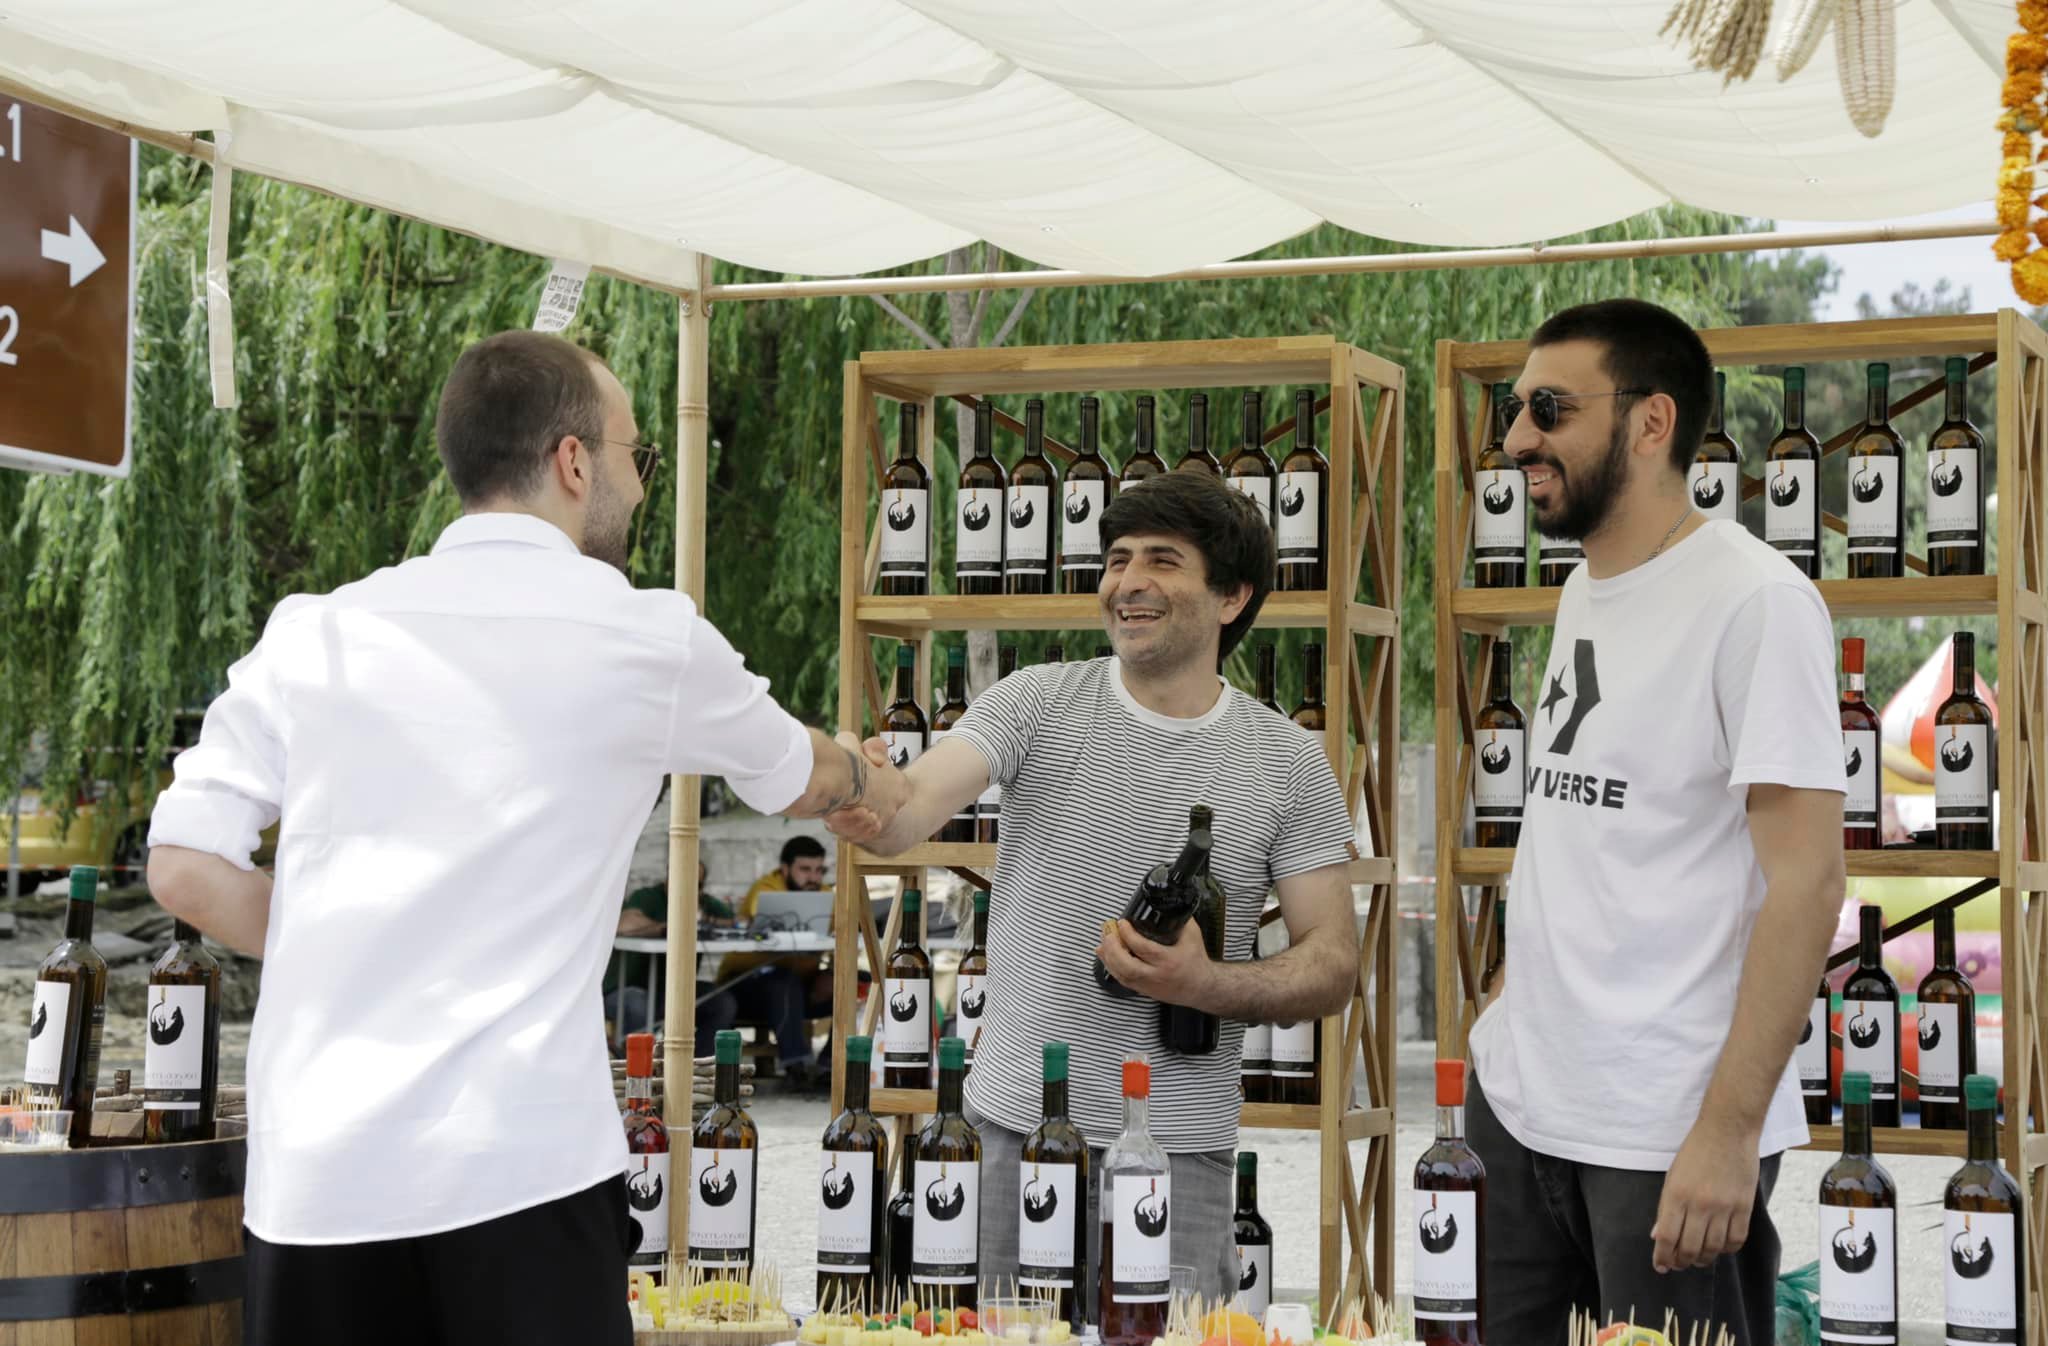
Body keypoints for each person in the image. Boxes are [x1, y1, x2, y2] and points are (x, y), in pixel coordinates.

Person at [145, 331, 902, 1346]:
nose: (640, 483)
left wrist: (357, 938)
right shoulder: (645, 635)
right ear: (573, 460)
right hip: (521, 1166)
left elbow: (183, 865)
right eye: (636, 454)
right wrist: (863, 770)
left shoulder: (316, 629)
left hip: (319, 1176)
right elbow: (799, 774)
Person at [828, 472, 1358, 1307]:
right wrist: (861, 789)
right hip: (1011, 1139)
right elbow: (909, 808)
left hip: (1180, 1161)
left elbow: (1333, 965)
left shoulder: (1287, 761)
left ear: (1232, 597)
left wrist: (1206, 984)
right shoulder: (1035, 702)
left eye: (1162, 560)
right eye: (1117, 559)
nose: (1127, 582)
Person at [1467, 300, 1844, 1344]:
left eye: (1549, 409)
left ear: (1650, 421)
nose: (1517, 438)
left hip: (1665, 1132)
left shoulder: (1754, 603)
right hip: (1518, 1105)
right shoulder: (1585, 588)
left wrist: (1727, 1132)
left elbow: (1807, 883)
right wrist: (1506, 1009)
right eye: (1512, 409)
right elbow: (1590, 829)